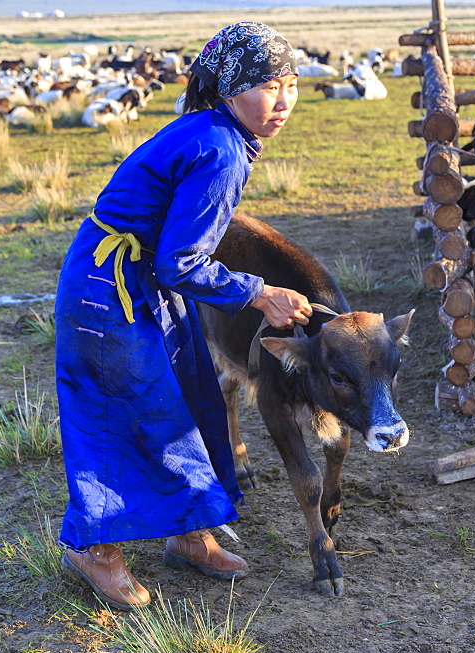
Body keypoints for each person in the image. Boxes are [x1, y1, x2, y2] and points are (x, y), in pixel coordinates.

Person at [55, 21, 312, 609]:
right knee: (120, 411)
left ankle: (188, 531)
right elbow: (181, 261)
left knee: (189, 397)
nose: (283, 101)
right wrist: (259, 293)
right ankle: (94, 548)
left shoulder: (219, 131)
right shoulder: (220, 147)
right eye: (268, 85)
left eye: (292, 84)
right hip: (110, 286)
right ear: (231, 87)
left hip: (135, 277)